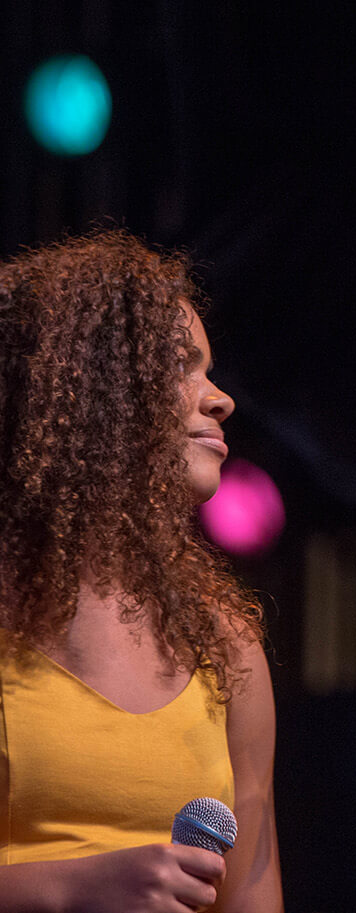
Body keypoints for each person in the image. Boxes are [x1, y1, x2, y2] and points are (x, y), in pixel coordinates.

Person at [0, 230, 282, 912]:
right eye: (180, 366)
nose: (219, 399)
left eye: (209, 370)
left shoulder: (221, 638)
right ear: (90, 385)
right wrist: (71, 885)